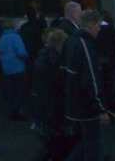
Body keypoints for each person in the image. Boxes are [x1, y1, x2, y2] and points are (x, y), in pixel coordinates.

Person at [62, 8, 109, 161]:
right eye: (98, 26)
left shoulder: (70, 41)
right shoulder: (85, 45)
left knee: (87, 142)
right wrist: (101, 108)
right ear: (89, 24)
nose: (99, 29)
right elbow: (91, 79)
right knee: (94, 147)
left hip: (74, 103)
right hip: (87, 106)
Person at [29, 27, 72, 161]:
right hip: (52, 108)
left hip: (44, 106)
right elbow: (58, 85)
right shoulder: (55, 61)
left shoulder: (43, 58)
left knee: (51, 144)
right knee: (57, 144)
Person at [0, 18, 29, 120]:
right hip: (18, 67)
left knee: (12, 90)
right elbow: (21, 52)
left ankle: (12, 110)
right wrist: (27, 57)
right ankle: (17, 111)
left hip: (7, 68)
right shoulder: (15, 37)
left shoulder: (2, 38)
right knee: (20, 90)